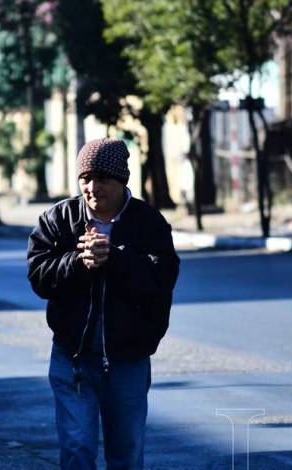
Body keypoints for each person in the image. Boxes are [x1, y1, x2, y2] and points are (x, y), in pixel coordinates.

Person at [27, 137, 180, 470]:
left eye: (103, 179)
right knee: (77, 451)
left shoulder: (148, 222)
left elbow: (162, 277)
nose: (92, 187)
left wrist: (113, 258)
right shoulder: (57, 220)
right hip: (73, 361)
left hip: (128, 363)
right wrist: (78, 261)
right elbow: (39, 276)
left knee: (126, 456)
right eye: (85, 178)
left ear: (122, 180)